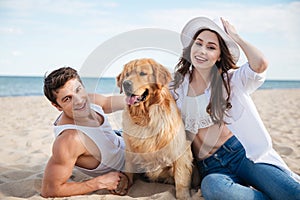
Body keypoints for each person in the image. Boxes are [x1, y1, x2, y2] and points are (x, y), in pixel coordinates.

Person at [170, 16, 300, 200]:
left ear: (219, 56)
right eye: (198, 44)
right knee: (212, 188)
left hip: (241, 155)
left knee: (292, 192)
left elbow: (260, 64)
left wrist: (236, 38)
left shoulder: (231, 80)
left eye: (211, 47)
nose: (201, 51)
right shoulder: (176, 86)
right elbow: (149, 103)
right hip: (211, 168)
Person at [41, 67, 129, 197]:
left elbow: (111, 102)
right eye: (67, 99)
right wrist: (99, 183)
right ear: (57, 106)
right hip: (131, 163)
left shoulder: (90, 100)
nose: (79, 101)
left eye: (78, 90)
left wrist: (139, 98)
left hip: (123, 137)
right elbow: (50, 190)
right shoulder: (69, 140)